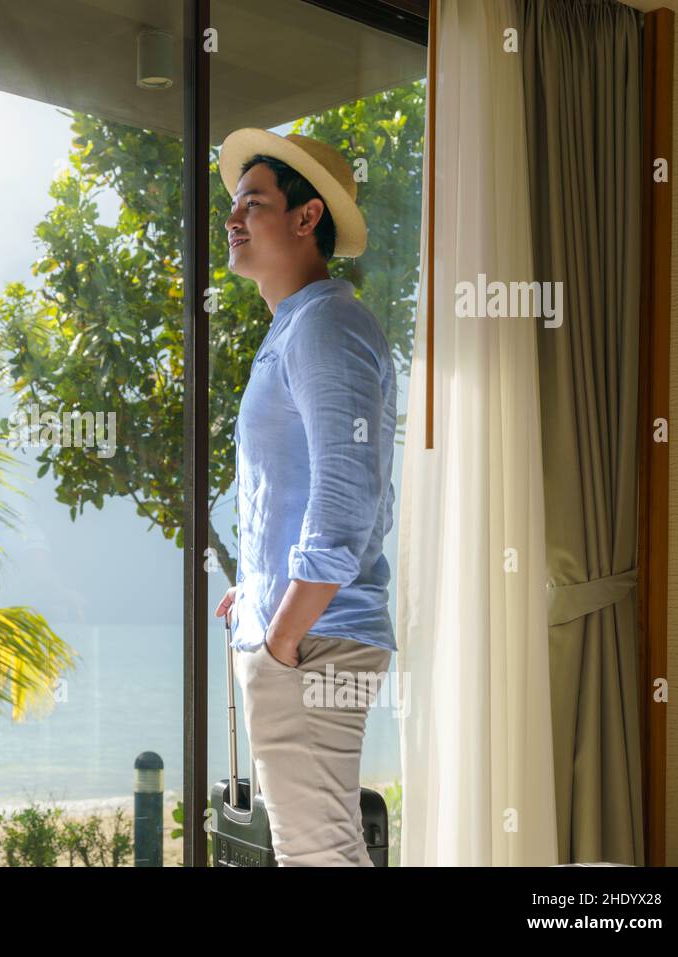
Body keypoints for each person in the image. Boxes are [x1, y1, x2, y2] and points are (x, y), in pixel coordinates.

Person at [212, 129, 396, 866]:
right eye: (233, 204)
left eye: (252, 201)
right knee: (312, 852)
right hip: (300, 639)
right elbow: (287, 489)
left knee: (319, 856)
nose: (232, 218)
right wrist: (258, 591)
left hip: (314, 645)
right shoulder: (293, 329)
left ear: (305, 216)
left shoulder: (326, 322)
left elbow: (347, 496)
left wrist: (285, 633)